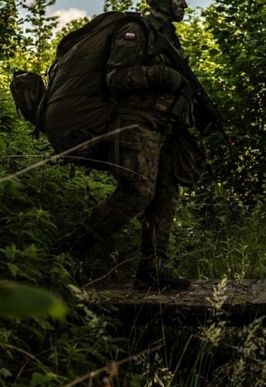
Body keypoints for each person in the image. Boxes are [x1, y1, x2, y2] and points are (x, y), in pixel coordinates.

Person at [59, 0, 195, 290]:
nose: (184, 4)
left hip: (164, 129)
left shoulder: (168, 36)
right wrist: (160, 75)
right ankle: (69, 253)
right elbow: (116, 77)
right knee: (137, 192)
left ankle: (152, 270)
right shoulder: (135, 30)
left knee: (165, 196)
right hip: (135, 127)